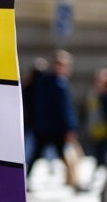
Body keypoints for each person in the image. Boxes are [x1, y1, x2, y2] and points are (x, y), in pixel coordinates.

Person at [26, 49, 86, 192]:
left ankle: (24, 180)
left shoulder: (43, 81)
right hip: (56, 129)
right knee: (67, 156)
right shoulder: (59, 83)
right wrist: (70, 128)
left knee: (36, 155)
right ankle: (75, 183)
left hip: (42, 127)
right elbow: (64, 109)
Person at [82, 67, 107, 180]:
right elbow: (87, 112)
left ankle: (102, 178)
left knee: (104, 156)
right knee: (98, 155)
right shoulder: (92, 94)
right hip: (94, 130)